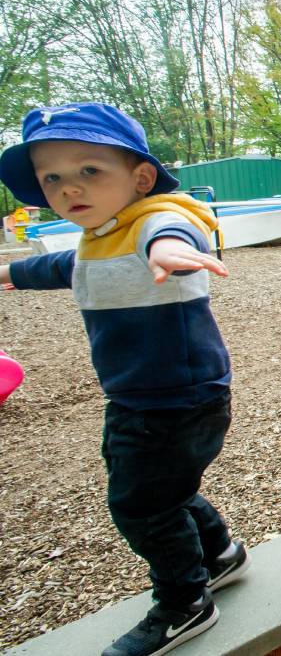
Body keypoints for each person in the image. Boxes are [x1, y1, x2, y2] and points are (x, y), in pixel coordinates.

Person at [0, 103, 249, 656]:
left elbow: (170, 231)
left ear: (140, 178)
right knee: (162, 488)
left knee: (140, 504)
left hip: (175, 399)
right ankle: (220, 556)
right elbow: (59, 266)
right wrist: (6, 274)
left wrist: (170, 250)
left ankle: (185, 601)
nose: (69, 187)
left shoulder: (152, 222)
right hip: (141, 395)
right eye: (52, 178)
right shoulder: (100, 238)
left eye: (89, 170)